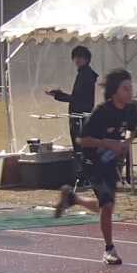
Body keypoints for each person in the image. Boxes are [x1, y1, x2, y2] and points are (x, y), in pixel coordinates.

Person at [54, 68, 137, 265]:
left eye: (130, 88)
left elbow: (132, 131)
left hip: (110, 162)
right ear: (114, 91)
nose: (129, 92)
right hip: (92, 161)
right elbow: (81, 139)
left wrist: (125, 143)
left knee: (106, 208)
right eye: (125, 88)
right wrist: (109, 144)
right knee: (106, 204)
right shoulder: (101, 111)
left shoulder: (131, 109)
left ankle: (72, 198)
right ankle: (109, 249)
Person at [46, 45, 98, 182]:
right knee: (80, 146)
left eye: (81, 57)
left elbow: (77, 98)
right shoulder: (83, 73)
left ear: (87, 59)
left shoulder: (86, 75)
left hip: (81, 116)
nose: (77, 60)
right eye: (75, 57)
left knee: (81, 146)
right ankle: (84, 175)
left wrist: (58, 95)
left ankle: (85, 176)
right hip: (79, 114)